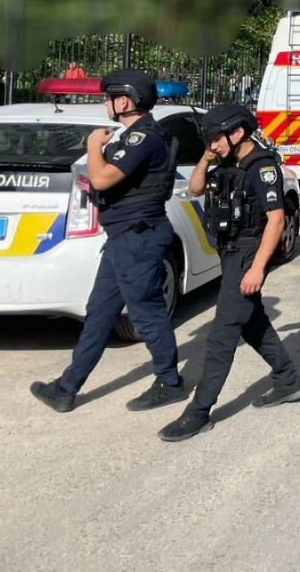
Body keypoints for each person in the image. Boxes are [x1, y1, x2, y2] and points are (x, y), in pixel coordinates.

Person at [30, 70, 188, 414]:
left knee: (146, 313)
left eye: (108, 97)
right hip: (122, 237)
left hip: (138, 237)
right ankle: (67, 387)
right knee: (99, 313)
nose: (104, 103)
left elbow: (102, 179)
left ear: (125, 100)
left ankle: (169, 381)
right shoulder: (130, 136)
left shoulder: (142, 138)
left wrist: (91, 145)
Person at [158, 104, 300, 442]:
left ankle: (199, 412)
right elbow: (195, 189)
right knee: (252, 322)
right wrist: (207, 159)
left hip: (248, 253)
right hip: (229, 253)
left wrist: (257, 268)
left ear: (237, 132)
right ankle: (290, 381)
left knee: (222, 333)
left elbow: (276, 219)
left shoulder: (262, 167)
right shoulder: (225, 160)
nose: (213, 144)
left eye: (216, 138)